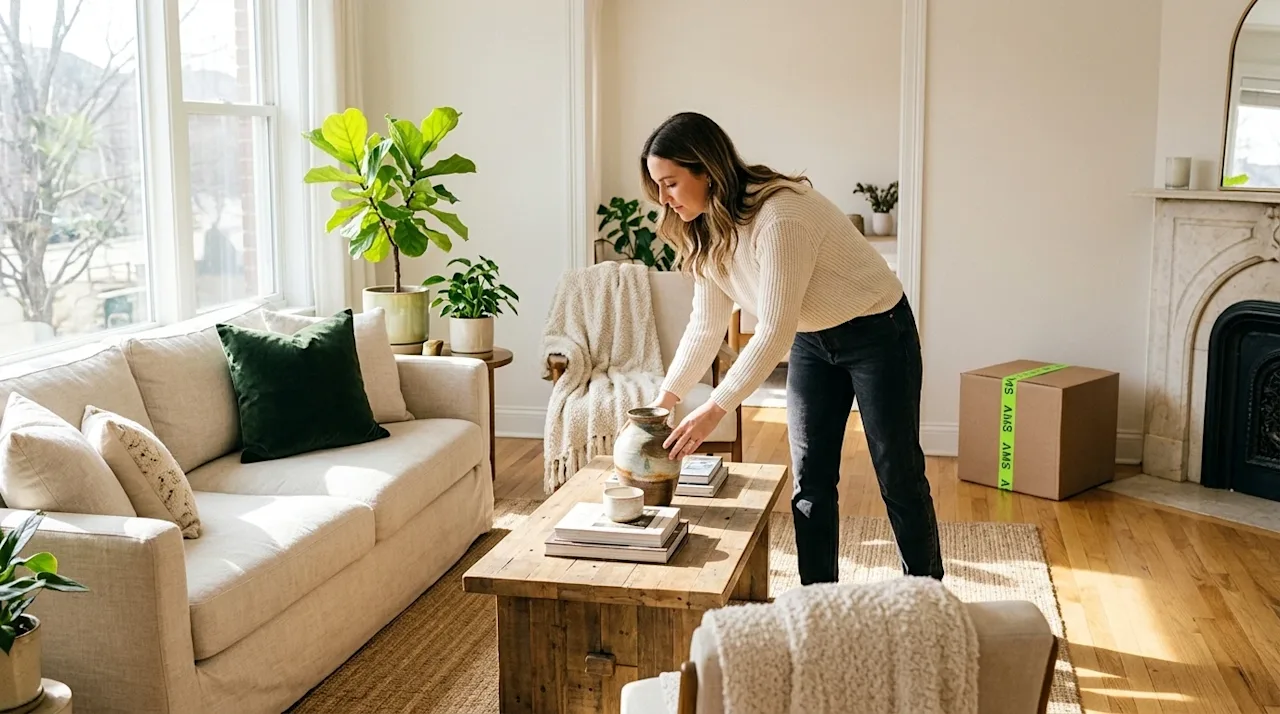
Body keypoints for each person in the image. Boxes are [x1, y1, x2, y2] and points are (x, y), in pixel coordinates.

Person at [640, 111, 944, 584]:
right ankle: (816, 601)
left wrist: (715, 407)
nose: (663, 199)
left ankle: (926, 596)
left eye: (672, 183)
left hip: (878, 332)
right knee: (811, 481)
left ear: (707, 169)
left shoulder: (781, 215)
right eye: (657, 185)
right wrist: (664, 401)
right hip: (812, 339)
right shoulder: (707, 229)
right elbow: (706, 326)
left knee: (897, 472)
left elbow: (774, 329)